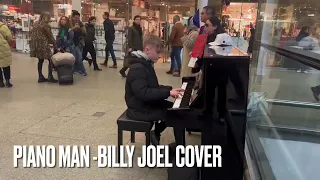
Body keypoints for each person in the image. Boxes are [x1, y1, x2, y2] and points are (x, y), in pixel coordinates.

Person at [125, 34, 184, 145]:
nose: (160, 56)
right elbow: (143, 93)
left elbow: (152, 87)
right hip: (138, 108)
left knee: (175, 109)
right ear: (147, 50)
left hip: (144, 103)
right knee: (176, 115)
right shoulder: (138, 67)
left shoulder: (146, 64)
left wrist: (170, 90)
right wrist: (168, 92)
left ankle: (155, 133)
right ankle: (180, 148)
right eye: (158, 52)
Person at [30, 11, 58, 83]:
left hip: (35, 44)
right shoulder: (46, 25)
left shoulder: (35, 24)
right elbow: (50, 36)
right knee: (50, 59)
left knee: (40, 60)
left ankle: (40, 76)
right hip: (43, 44)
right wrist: (55, 45)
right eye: (48, 17)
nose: (49, 19)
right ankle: (50, 77)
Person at [70, 10, 87, 76]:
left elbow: (85, 33)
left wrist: (81, 28)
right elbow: (65, 33)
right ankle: (81, 70)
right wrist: (73, 28)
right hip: (72, 43)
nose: (77, 19)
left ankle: (79, 70)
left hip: (79, 43)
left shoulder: (80, 24)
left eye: (78, 18)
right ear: (72, 17)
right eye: (76, 18)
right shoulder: (69, 23)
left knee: (79, 57)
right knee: (75, 58)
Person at [0, 22, 13, 88]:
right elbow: (9, 37)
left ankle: (1, 82)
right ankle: (7, 82)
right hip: (4, 48)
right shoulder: (3, 27)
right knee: (6, 65)